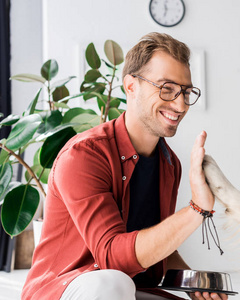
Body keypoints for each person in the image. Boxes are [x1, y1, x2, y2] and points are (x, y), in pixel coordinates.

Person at [21, 33, 227, 300]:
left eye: (186, 92)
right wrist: (196, 209)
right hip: (69, 289)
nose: (180, 104)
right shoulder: (84, 155)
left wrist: (195, 283)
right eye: (167, 88)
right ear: (131, 86)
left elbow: (153, 241)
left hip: (129, 288)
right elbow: (111, 258)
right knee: (112, 284)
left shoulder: (169, 163)